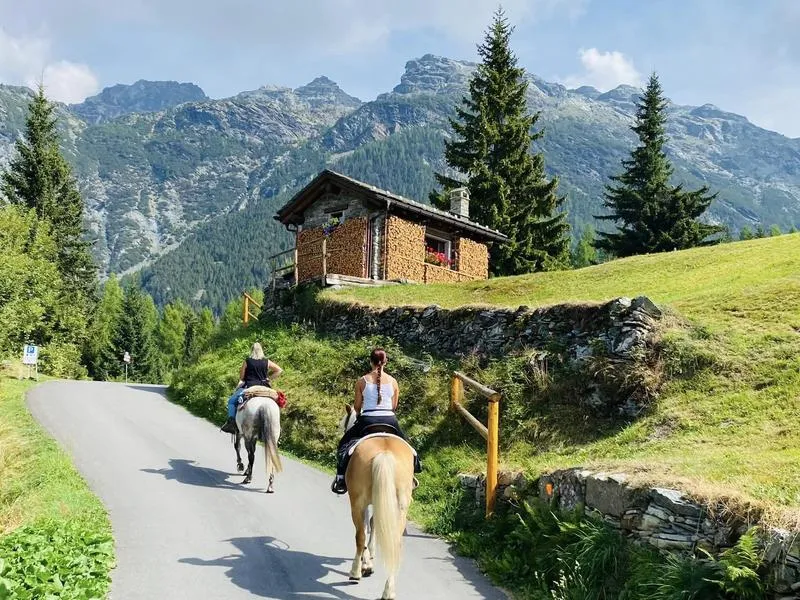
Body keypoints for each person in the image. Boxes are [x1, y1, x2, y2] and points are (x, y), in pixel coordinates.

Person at [331, 347, 422, 495]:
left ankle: (341, 477)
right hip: (389, 420)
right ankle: (412, 474)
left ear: (370, 361)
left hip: (367, 420)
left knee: (343, 444)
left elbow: (357, 407)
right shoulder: (393, 382)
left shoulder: (362, 381)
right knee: (407, 446)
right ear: (385, 362)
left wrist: (360, 415)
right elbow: (394, 406)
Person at [220, 342, 283, 434]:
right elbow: (279, 370)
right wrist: (268, 379)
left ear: (251, 350)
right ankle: (277, 425)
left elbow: (242, 378)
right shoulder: (267, 361)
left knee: (231, 401)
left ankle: (231, 423)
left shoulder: (247, 361)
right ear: (261, 350)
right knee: (277, 401)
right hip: (264, 387)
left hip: (249, 386)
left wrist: (238, 386)